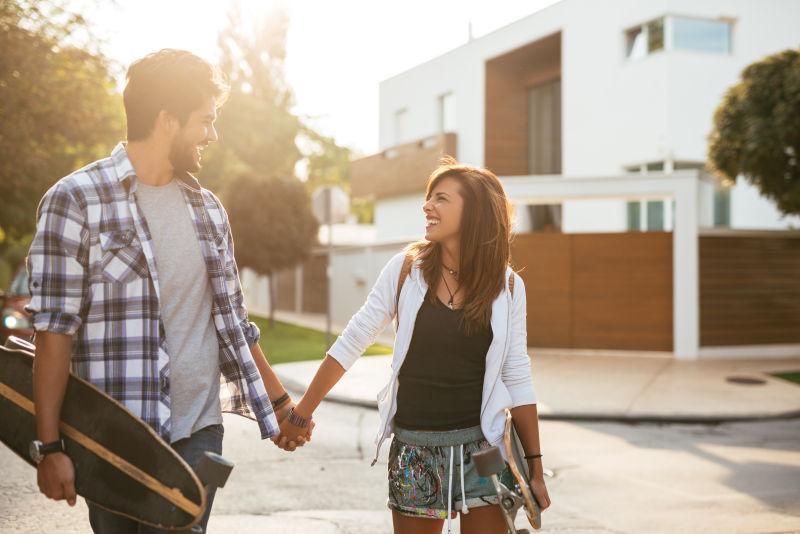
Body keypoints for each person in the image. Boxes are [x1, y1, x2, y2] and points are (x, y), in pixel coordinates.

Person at [26, 49, 308, 534]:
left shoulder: (208, 209)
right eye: (206, 121)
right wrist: (49, 448)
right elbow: (54, 333)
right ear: (167, 120)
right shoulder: (74, 200)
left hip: (197, 431)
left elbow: (234, 323)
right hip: (112, 434)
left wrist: (282, 404)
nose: (213, 136)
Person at [274, 158, 551, 533]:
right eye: (428, 198)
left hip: (483, 453)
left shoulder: (508, 288)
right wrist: (300, 413)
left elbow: (517, 376)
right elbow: (355, 338)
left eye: (441, 199)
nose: (427, 206)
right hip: (414, 451)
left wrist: (535, 468)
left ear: (475, 213)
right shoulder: (407, 269)